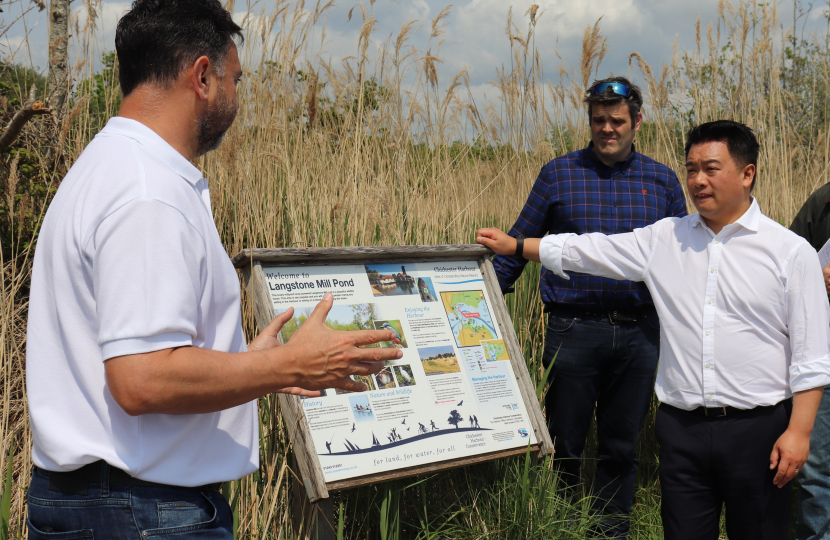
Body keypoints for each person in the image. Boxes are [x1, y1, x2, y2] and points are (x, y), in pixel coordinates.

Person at [24, 1, 401, 538]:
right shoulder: (148, 192)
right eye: (236, 80)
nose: (237, 98)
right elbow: (141, 379)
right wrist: (290, 366)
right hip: (142, 511)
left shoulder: (105, 167)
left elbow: (129, 358)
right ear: (202, 76)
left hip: (101, 502)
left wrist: (249, 362)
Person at [477, 120, 830, 539]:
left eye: (711, 168)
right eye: (691, 168)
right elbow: (590, 249)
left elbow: (811, 356)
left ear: (747, 173)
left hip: (758, 430)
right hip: (682, 432)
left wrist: (798, 432)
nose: (698, 180)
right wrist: (516, 246)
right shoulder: (666, 239)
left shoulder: (790, 252)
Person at [490, 75, 687, 537]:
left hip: (640, 334)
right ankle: (557, 525)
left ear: (637, 121)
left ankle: (610, 531)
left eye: (617, 120)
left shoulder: (662, 181)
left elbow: (685, 257)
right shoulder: (558, 173)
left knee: (621, 446)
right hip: (572, 330)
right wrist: (485, 300)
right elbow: (519, 242)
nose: (607, 129)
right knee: (564, 444)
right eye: (599, 120)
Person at [790, 187, 830, 539]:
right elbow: (784, 266)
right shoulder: (824, 201)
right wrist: (818, 278)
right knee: (815, 468)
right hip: (822, 355)